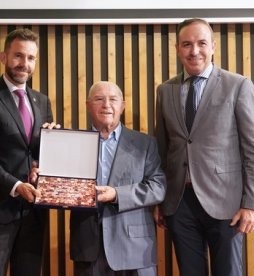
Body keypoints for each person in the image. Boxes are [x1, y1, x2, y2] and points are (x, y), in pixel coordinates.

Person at [154, 18, 254, 276]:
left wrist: (253, 204)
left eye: (202, 43)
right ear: (177, 49)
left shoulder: (237, 85)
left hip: (227, 204)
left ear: (213, 46)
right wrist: (160, 201)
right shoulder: (165, 91)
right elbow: (163, 149)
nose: (194, 51)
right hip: (179, 204)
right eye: (187, 44)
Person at [32, 81, 166, 276]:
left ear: (123, 105)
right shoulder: (70, 144)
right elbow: (57, 187)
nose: (106, 105)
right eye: (99, 99)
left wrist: (116, 195)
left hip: (134, 249)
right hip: (88, 248)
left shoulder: (145, 144)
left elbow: (158, 187)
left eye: (113, 99)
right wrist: (46, 158)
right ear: (88, 105)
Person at [0, 28, 55, 276]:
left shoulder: (42, 101)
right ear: (4, 57)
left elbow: (38, 154)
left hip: (33, 212)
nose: (24, 64)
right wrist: (16, 186)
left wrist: (51, 146)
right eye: (18, 56)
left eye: (30, 58)